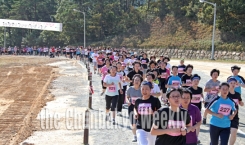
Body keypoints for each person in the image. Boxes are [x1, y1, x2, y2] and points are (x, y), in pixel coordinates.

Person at [126, 74, 143, 142]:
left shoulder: (142, 89)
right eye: (135, 80)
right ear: (133, 81)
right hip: (131, 107)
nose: (136, 81)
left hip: (140, 108)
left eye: (138, 80)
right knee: (133, 122)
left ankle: (140, 134)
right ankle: (135, 136)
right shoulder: (130, 88)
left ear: (140, 82)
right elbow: (127, 97)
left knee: (139, 122)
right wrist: (128, 102)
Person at [227, 77, 244, 145]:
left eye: (234, 83)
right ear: (228, 84)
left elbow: (240, 102)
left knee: (234, 133)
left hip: (235, 116)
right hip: (226, 116)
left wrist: (241, 103)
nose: (233, 84)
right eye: (231, 83)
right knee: (225, 133)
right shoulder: (226, 93)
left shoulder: (237, 94)